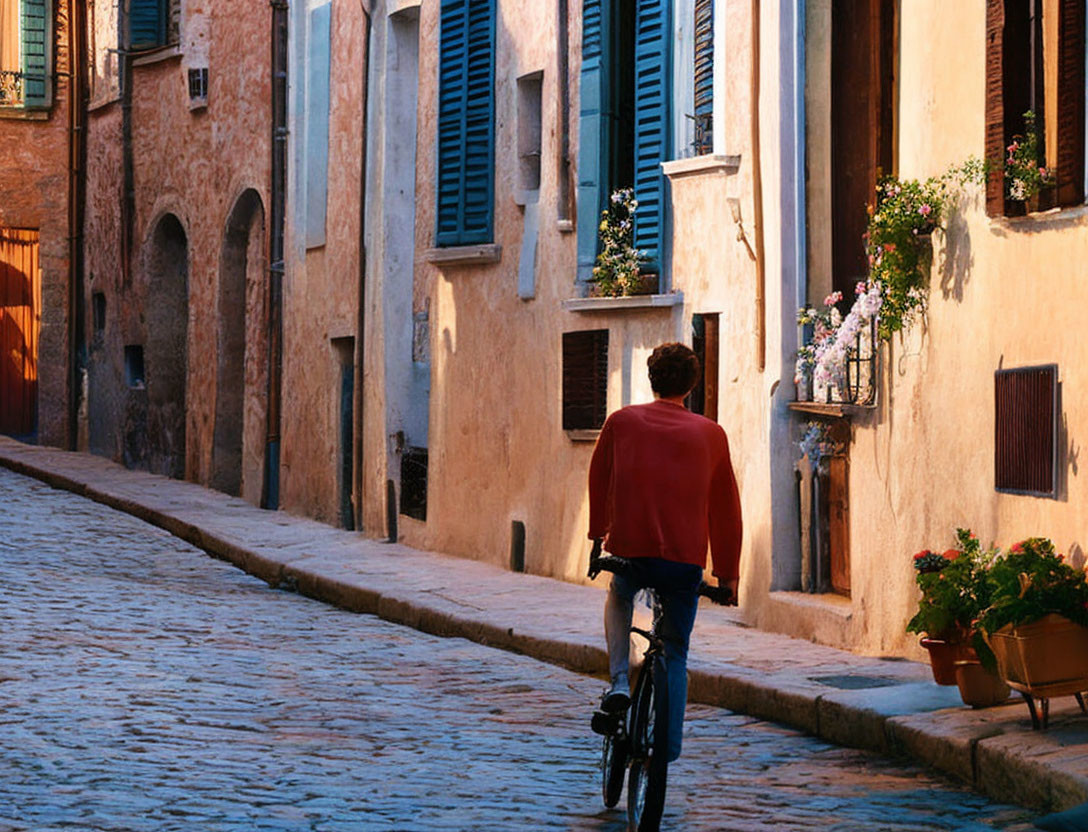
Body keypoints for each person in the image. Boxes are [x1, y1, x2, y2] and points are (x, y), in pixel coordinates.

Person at [587, 341, 742, 763]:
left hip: (631, 552)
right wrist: (728, 575)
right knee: (675, 651)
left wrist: (595, 535)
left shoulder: (621, 422)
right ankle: (667, 749)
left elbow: (599, 477)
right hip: (683, 562)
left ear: (651, 379)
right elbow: (726, 507)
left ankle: (619, 680)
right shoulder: (711, 434)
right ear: (691, 387)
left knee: (620, 594)